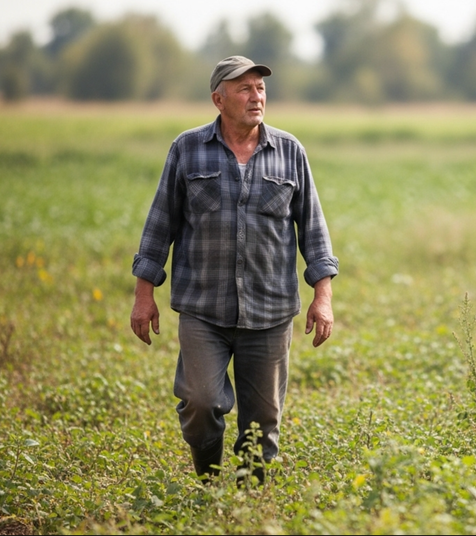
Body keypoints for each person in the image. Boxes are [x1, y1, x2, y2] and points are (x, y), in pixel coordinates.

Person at [129, 55, 339, 486]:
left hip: (270, 311)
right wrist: (143, 294)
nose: (256, 96)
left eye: (260, 88)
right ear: (218, 99)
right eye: (244, 89)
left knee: (262, 422)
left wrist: (323, 298)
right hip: (204, 308)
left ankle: (248, 502)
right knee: (200, 401)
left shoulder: (290, 152)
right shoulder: (187, 149)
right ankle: (209, 482)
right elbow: (159, 224)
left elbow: (314, 232)